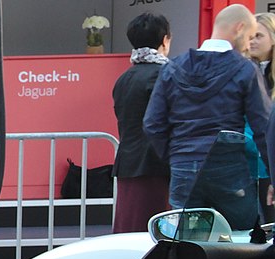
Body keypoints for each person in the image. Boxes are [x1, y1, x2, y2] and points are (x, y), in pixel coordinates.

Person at [145, 4, 271, 230]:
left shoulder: (172, 68)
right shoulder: (244, 69)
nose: (248, 45)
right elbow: (264, 128)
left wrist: (176, 155)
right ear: (239, 28)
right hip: (229, 168)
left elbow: (152, 124)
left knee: (186, 242)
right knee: (243, 239)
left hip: (183, 168)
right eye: (249, 36)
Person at [112, 14, 171, 233]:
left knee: (128, 230)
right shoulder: (166, 75)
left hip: (127, 163)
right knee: (154, 234)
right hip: (157, 167)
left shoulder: (125, 78)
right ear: (164, 40)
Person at [246, 13, 275, 220]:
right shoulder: (243, 71)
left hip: (269, 167)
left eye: (258, 36)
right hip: (245, 165)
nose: (252, 41)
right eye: (250, 36)